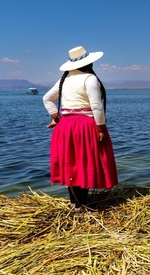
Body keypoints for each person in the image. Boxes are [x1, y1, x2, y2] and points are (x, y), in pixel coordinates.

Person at [43, 46, 118, 211]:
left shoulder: (65, 79)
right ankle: (82, 203)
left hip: (65, 126)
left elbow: (47, 98)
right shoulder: (90, 79)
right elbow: (96, 106)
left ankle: (75, 203)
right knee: (84, 162)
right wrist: (100, 128)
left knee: (72, 162)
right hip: (85, 125)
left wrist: (56, 118)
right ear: (89, 62)